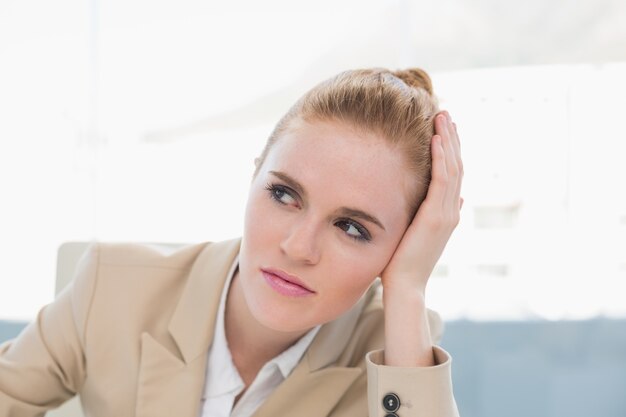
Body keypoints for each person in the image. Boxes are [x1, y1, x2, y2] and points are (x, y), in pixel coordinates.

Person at [0, 67, 463, 417]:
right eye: (284, 195)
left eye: (352, 228)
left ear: (403, 247)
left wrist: (407, 287)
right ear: (255, 173)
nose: (299, 247)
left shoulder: (396, 352)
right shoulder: (111, 289)